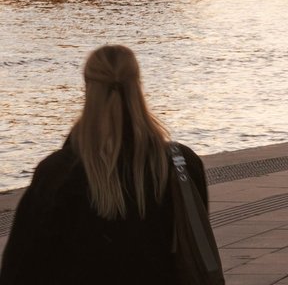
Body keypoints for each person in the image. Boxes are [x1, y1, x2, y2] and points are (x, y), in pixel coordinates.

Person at [0, 45, 212, 284]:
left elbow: (21, 266)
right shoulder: (180, 164)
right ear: (137, 86)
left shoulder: (58, 173)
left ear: (88, 89)